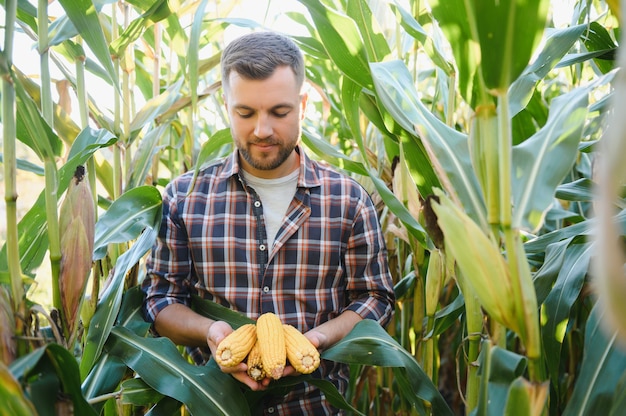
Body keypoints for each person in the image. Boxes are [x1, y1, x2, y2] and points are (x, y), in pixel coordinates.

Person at [141, 30, 395, 415]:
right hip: (214, 404)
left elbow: (375, 298)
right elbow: (161, 300)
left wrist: (321, 338)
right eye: (245, 113)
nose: (262, 130)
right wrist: (211, 332)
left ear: (303, 105)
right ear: (226, 106)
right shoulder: (185, 199)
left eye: (279, 112)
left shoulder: (348, 201)